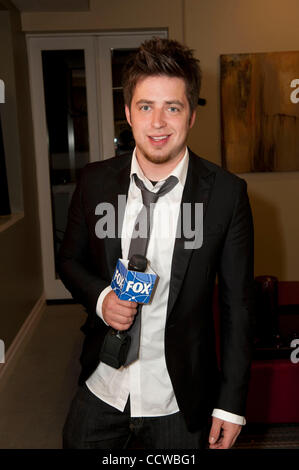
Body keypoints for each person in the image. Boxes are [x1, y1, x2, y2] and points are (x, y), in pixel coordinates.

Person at [58, 37, 254, 450]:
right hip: (103, 385)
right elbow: (69, 261)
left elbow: (238, 306)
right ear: (128, 113)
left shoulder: (225, 196)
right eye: (146, 106)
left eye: (173, 107)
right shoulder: (94, 182)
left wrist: (231, 404)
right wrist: (102, 299)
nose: (159, 123)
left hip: (178, 399)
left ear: (192, 115)